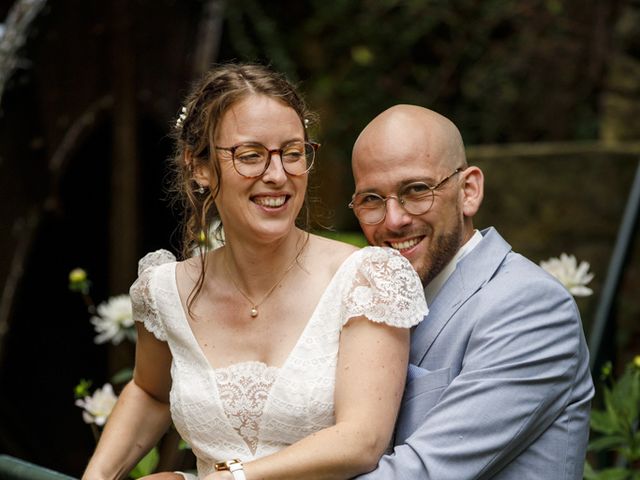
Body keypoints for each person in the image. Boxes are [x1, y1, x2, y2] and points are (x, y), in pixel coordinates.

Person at [80, 64, 427, 480]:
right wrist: (97, 477)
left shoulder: (368, 279)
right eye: (250, 156)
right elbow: (150, 392)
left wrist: (228, 479)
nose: (277, 175)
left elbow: (361, 441)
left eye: (293, 153)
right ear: (200, 167)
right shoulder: (164, 290)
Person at [349, 104, 594, 480]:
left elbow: (424, 473)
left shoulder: (531, 306)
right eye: (371, 199)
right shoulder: (366, 300)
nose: (394, 219)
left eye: (416, 190)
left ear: (469, 191)